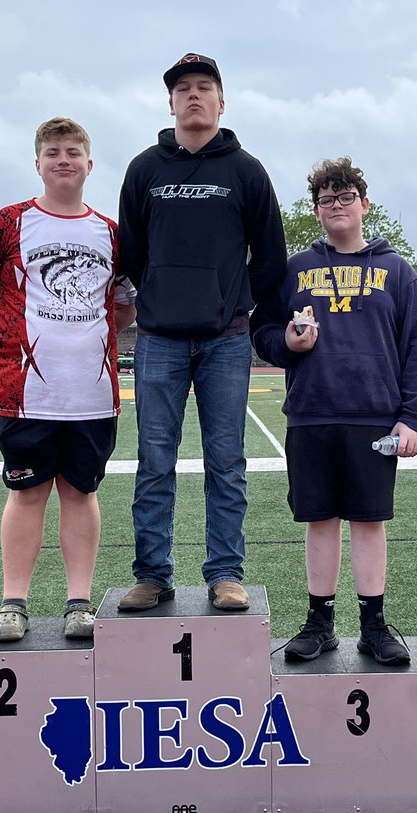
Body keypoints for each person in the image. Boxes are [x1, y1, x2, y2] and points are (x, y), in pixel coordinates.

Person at [116, 53, 287, 612]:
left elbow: (269, 256)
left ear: (221, 101)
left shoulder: (246, 171)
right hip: (160, 337)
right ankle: (152, 574)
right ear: (170, 102)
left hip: (226, 339)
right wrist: (164, 296)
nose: (193, 96)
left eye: (204, 87)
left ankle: (225, 573)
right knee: (155, 458)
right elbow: (132, 253)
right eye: (183, 88)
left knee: (226, 460)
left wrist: (236, 305)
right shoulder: (145, 169)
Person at [250, 157, 417, 665]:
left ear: (364, 204)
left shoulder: (396, 270)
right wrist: (286, 343)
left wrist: (414, 416)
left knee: (370, 521)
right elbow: (262, 330)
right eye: (327, 199)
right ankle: (320, 621)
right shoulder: (297, 269)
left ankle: (373, 625)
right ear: (317, 211)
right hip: (312, 413)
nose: (337, 206)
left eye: (346, 197)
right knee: (320, 520)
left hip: (375, 415)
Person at [0, 116, 136, 641]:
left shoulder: (111, 233)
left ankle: (79, 601)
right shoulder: (8, 222)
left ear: (89, 163)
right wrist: (10, 339)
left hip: (91, 395)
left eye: (73, 152)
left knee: (80, 492)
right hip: (25, 394)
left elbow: (124, 308)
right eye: (53, 151)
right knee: (27, 493)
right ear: (37, 162)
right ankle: (14, 602)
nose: (63, 160)